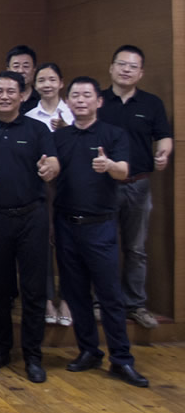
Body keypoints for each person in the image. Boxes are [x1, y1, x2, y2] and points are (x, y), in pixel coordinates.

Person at [54, 77, 149, 388]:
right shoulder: (60, 137)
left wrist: (108, 165)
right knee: (76, 293)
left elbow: (124, 170)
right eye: (75, 95)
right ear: (68, 102)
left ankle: (121, 359)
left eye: (87, 95)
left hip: (101, 225)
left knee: (109, 295)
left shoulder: (113, 134)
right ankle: (89, 351)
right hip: (66, 224)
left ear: (98, 101)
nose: (81, 100)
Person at [0, 71, 59, 384]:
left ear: (22, 95)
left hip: (32, 217)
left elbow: (52, 165)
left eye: (11, 91)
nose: (4, 96)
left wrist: (51, 169)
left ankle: (33, 355)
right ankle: (1, 348)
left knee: (34, 290)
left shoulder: (37, 129)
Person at [97, 45, 173, 329]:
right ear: (111, 68)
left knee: (136, 248)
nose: (126, 70)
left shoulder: (151, 103)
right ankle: (99, 301)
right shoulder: (98, 101)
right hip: (102, 185)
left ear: (140, 73)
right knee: (101, 246)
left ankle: (135, 304)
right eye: (121, 64)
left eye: (132, 66)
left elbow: (164, 136)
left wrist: (164, 152)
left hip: (138, 185)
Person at [25, 62, 74, 327]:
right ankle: (46, 298)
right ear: (35, 85)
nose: (47, 85)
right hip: (40, 188)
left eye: (52, 79)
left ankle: (66, 299)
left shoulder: (73, 112)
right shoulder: (30, 117)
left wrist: (67, 131)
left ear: (61, 82)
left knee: (67, 245)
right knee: (41, 245)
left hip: (71, 188)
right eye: (42, 80)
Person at [6, 45, 40, 114]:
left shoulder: (42, 99)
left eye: (26, 66)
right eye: (16, 66)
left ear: (34, 69)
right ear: (8, 70)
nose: (21, 71)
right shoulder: (2, 99)